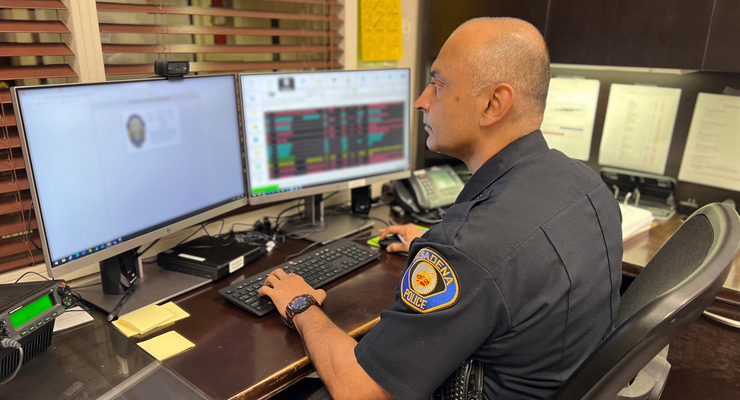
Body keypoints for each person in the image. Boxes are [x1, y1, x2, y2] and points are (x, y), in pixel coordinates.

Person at [259, 17, 623, 400]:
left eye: (438, 84)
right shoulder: (587, 185)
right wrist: (436, 245)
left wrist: (300, 306)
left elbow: (362, 391)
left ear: (493, 104)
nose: (422, 101)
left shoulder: (470, 247)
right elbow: (512, 261)